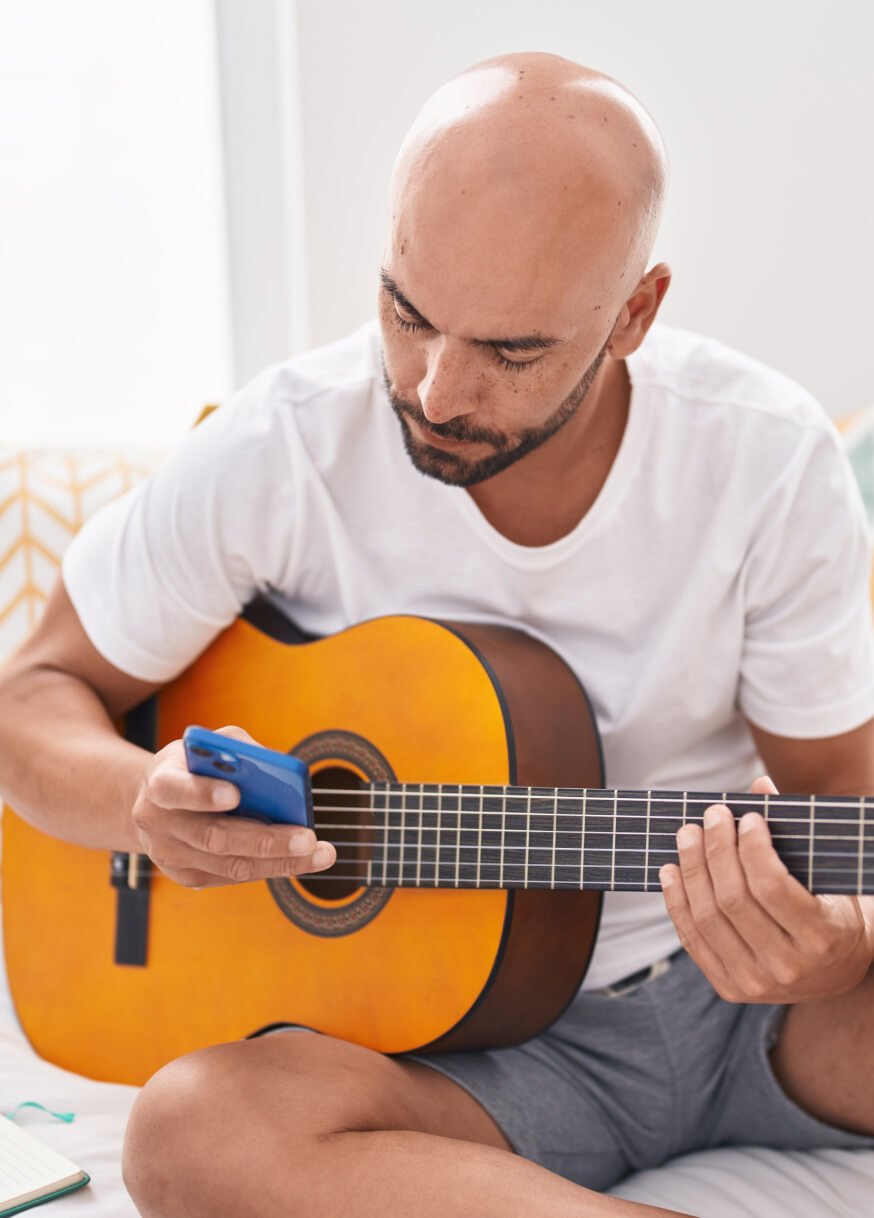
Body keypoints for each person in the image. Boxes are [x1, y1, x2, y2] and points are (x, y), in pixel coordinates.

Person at [1, 50, 873, 1218]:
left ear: (632, 314)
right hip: (456, 1068)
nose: (435, 390)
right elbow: (33, 694)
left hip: (750, 1016)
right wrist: (139, 805)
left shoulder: (763, 457)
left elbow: (842, 799)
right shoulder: (287, 445)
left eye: (512, 352)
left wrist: (838, 946)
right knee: (190, 1132)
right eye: (407, 314)